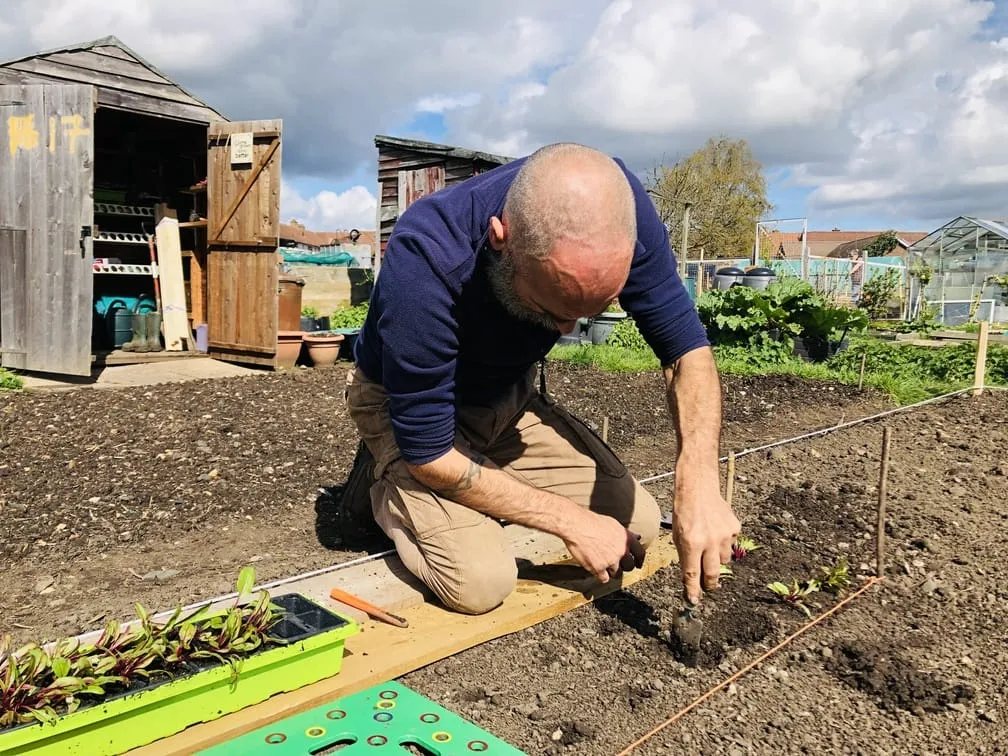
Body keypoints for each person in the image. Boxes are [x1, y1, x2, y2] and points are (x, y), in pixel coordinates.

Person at [336, 142, 740, 615]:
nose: (565, 330)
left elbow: (686, 352)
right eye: (551, 309)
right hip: (410, 413)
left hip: (505, 398)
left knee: (640, 526)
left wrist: (698, 481)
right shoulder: (426, 255)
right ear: (500, 238)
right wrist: (570, 522)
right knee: (481, 583)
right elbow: (430, 454)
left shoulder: (617, 208)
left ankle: (482, 489)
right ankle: (381, 484)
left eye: (587, 313)